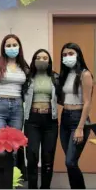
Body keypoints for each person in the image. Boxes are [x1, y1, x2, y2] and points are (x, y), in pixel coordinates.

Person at [0, 34, 29, 153]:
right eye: (8, 45)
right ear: (3, 48)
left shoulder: (23, 66)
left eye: (14, 45)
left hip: (17, 108)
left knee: (14, 147)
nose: (12, 48)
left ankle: (10, 172)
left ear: (19, 47)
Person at [58, 42, 92, 189]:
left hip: (78, 120)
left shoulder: (85, 74)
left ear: (78, 54)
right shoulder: (66, 74)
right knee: (71, 162)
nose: (67, 57)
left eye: (70, 54)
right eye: (64, 55)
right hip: (65, 117)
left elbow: (87, 102)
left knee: (70, 162)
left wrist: (80, 128)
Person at [23, 49, 59, 189]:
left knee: (48, 157)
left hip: (50, 120)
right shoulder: (28, 77)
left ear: (49, 61)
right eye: (38, 57)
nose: (41, 60)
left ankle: (45, 187)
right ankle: (32, 187)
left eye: (45, 58)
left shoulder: (55, 77)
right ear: (33, 60)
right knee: (31, 156)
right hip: (32, 119)